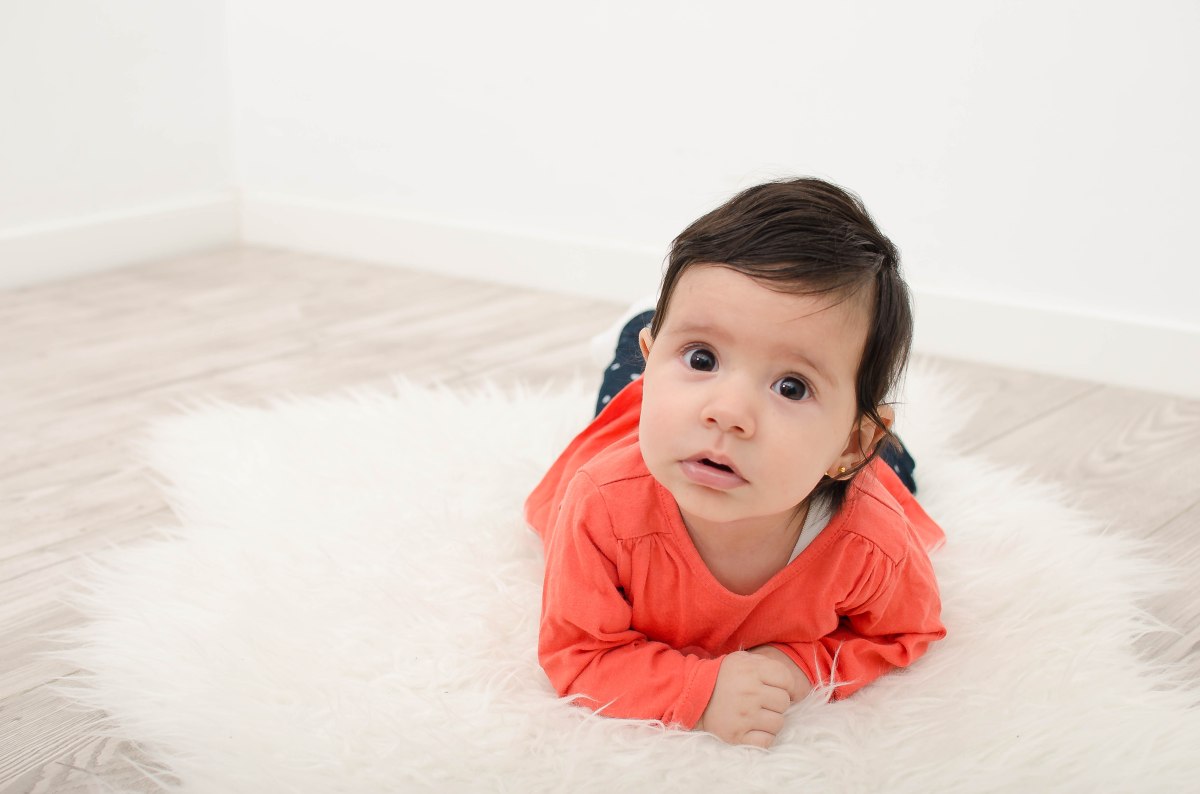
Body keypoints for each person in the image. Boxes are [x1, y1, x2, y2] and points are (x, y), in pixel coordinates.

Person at [524, 178, 946, 749]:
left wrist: (799, 666)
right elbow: (578, 653)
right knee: (620, 394)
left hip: (831, 455)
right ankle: (635, 338)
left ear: (852, 446)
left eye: (792, 387)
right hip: (635, 419)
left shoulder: (871, 544)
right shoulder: (600, 504)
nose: (728, 412)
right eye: (702, 358)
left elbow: (903, 633)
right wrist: (699, 691)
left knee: (901, 476)